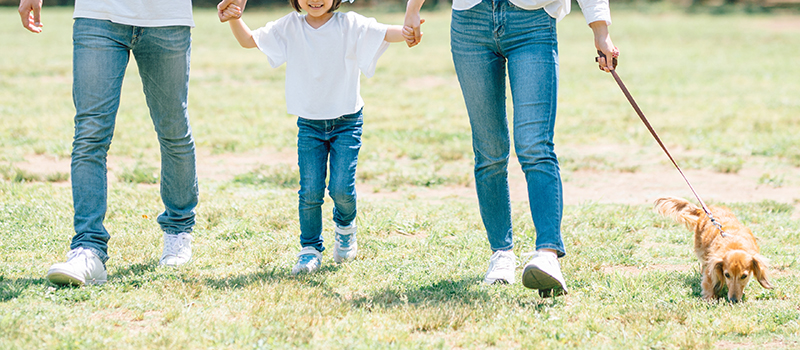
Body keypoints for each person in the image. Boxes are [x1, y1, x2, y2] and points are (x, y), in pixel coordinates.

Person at [403, 0, 619, 296]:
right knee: (489, 151)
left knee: (535, 145)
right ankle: (501, 254)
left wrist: (600, 29)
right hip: (470, 22)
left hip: (531, 20)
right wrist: (413, 8)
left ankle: (547, 255)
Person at [19, 0, 202, 286]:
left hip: (167, 17)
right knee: (90, 135)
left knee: (173, 130)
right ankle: (88, 249)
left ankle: (178, 230)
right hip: (98, 15)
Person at [217, 0, 408, 274]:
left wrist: (408, 29)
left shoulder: (349, 24)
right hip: (310, 125)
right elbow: (249, 40)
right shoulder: (290, 26)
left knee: (341, 188)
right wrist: (234, 18)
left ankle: (345, 226)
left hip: (346, 121)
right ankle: (309, 249)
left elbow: (385, 32)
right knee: (310, 192)